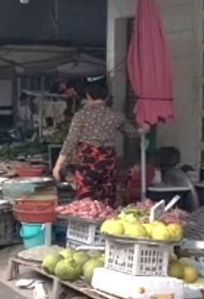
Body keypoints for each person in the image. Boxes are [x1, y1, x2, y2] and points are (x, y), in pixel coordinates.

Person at [51, 76, 148, 206]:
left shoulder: (81, 116)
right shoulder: (116, 116)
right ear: (106, 97)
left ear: (88, 95)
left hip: (87, 160)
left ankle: (85, 217)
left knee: (85, 199)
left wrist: (58, 165)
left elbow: (71, 141)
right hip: (107, 160)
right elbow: (133, 134)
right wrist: (145, 129)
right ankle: (105, 217)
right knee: (106, 199)